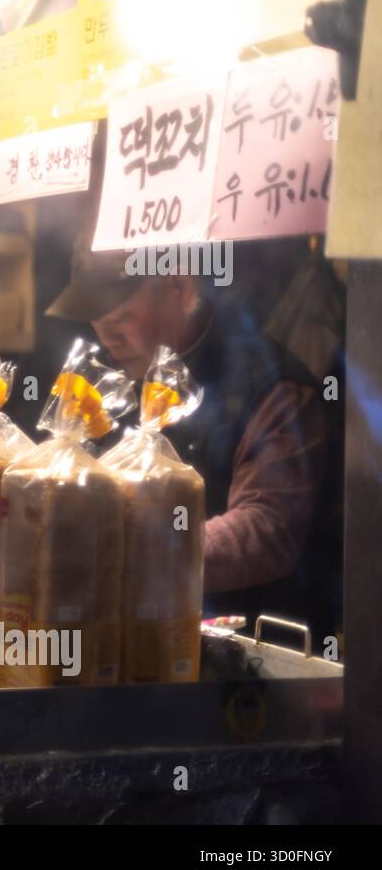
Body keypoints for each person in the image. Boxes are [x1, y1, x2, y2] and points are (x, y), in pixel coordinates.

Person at [42, 242, 335, 637]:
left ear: (180, 286)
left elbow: (268, 529)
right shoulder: (105, 377)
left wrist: (136, 551)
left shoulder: (270, 386)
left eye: (122, 315)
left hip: (245, 663)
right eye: (94, 316)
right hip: (124, 643)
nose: (107, 334)